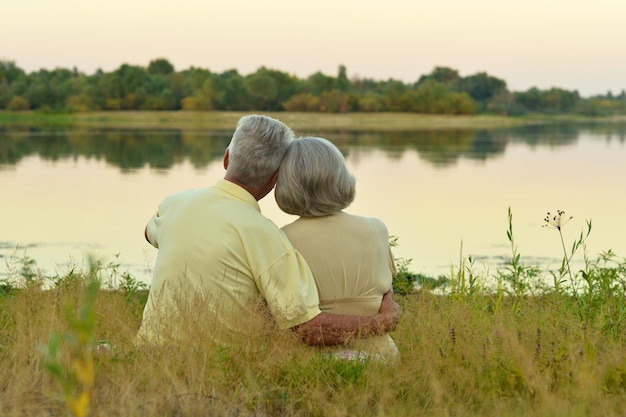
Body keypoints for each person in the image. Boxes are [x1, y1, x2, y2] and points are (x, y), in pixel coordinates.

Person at [135, 115, 399, 348]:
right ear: (275, 179)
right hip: (219, 366)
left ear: (226, 158)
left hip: (148, 355)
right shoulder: (266, 235)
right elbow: (307, 328)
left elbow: (150, 234)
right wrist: (381, 322)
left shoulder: (174, 203)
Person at [275, 136, 399, 361]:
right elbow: (387, 295)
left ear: (287, 183)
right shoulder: (376, 228)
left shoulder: (281, 239)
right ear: (341, 177)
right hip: (381, 358)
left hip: (309, 364)